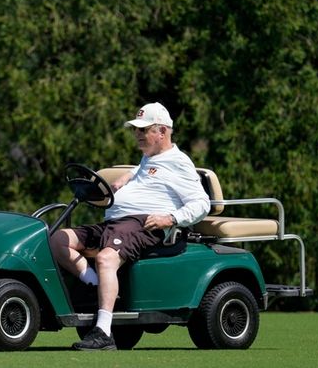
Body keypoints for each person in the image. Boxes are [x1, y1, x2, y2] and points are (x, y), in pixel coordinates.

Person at [50, 102, 210, 351]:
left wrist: (171, 218)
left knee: (105, 258)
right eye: (136, 130)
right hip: (115, 224)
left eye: (143, 130)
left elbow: (202, 204)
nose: (137, 135)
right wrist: (130, 175)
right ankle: (94, 285)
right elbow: (151, 174)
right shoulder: (148, 158)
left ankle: (104, 332)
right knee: (58, 240)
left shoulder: (179, 162)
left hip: (143, 225)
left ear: (162, 132)